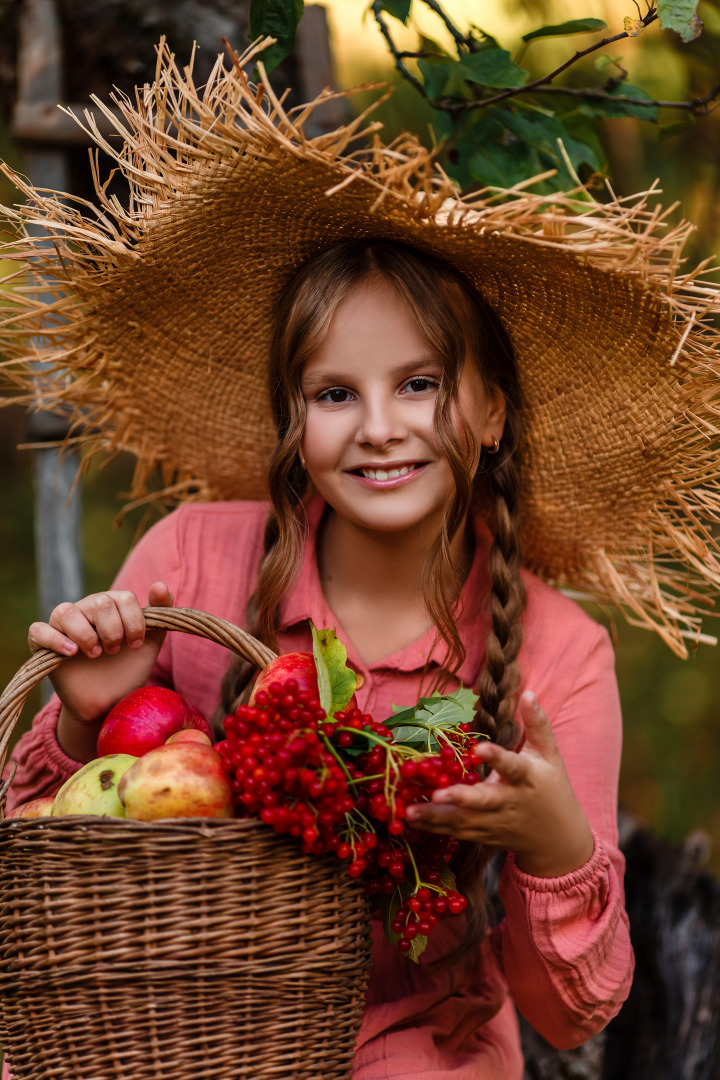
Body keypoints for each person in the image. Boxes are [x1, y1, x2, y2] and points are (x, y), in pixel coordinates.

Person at [2, 39, 719, 1080]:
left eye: (420, 384)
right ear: (294, 421)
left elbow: (569, 1019)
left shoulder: (559, 660)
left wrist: (553, 841)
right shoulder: (190, 566)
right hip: (179, 1034)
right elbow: (44, 883)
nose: (379, 428)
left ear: (490, 411)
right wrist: (87, 717)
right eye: (336, 395)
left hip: (410, 1051)